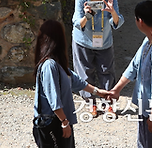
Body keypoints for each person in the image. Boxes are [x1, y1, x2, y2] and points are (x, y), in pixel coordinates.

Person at [109, 0, 152, 148]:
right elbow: (134, 65)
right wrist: (117, 89)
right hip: (146, 109)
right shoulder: (149, 41)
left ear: (140, 21)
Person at [33, 20, 110, 148]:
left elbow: (75, 81)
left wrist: (99, 92)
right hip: (53, 123)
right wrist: (64, 122)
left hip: (60, 121)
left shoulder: (57, 63)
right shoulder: (49, 65)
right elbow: (54, 100)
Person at [71, 0, 124, 116]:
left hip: (104, 41)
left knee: (107, 71)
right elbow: (77, 23)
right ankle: (90, 103)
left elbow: (118, 22)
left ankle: (108, 103)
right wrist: (87, 15)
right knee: (84, 72)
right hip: (83, 40)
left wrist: (112, 11)